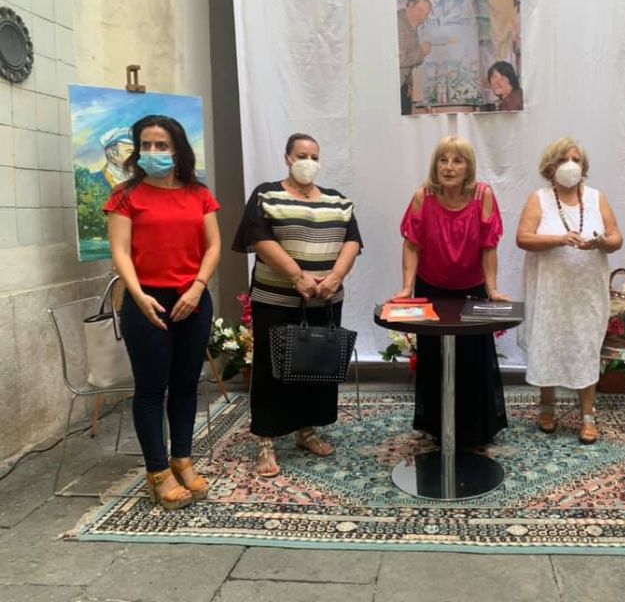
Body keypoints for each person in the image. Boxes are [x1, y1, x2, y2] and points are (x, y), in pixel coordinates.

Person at [106, 115, 221, 510]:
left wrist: (198, 286)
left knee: (186, 384)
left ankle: (182, 459)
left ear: (177, 150)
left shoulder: (198, 193)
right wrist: (138, 296)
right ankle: (157, 471)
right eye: (146, 145)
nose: (153, 152)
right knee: (151, 389)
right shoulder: (125, 196)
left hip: (193, 299)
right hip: (147, 301)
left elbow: (213, 246)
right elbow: (120, 251)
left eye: (162, 145)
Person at [233, 133, 362, 477]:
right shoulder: (266, 195)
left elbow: (352, 241)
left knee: (315, 367)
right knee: (271, 368)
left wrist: (336, 276)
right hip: (277, 299)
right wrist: (296, 276)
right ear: (288, 158)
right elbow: (259, 238)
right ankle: (266, 439)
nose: (308, 162)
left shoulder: (338, 201)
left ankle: (307, 430)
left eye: (314, 156)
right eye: (302, 155)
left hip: (325, 300)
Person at [393, 136, 509, 446]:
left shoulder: (483, 195)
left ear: (469, 167)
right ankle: (436, 428)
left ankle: (475, 431)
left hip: (472, 289)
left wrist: (492, 289)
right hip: (431, 287)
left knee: (473, 360)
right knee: (434, 359)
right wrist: (407, 288)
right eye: (443, 160)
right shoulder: (423, 196)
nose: (449, 167)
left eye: (457, 161)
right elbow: (411, 244)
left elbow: (489, 246)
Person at [516, 138, 623, 443]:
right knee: (548, 344)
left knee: (585, 347)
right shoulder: (538, 198)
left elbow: (616, 238)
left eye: (576, 159)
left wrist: (600, 242)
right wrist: (560, 239)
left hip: (586, 291)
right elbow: (523, 238)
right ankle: (546, 407)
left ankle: (588, 415)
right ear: (550, 167)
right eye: (564, 159)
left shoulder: (597, 198)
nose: (571, 165)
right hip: (549, 292)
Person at [397, 0, 432, 115]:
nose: (422, 17)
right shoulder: (399, 24)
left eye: (426, 14)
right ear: (410, 5)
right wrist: (421, 51)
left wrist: (408, 84)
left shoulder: (409, 23)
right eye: (420, 10)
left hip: (402, 86)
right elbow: (399, 59)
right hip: (391, 88)